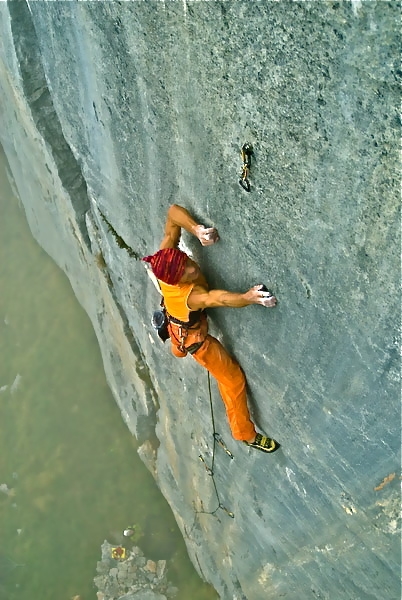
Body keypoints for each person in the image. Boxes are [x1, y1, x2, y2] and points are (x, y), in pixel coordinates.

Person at [143, 204, 279, 454]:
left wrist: (196, 229)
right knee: (232, 380)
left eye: (186, 263)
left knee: (177, 346)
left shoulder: (166, 260)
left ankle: (175, 346)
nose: (192, 269)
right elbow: (221, 299)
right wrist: (249, 297)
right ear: (175, 280)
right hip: (196, 340)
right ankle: (245, 434)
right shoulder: (192, 295)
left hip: (177, 326)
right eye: (185, 273)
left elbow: (173, 214)